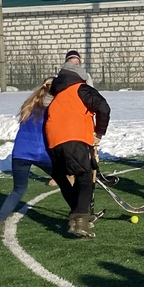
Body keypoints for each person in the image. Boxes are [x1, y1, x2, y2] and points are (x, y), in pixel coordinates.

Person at [45, 63, 111, 238]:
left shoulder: (58, 95)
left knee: (67, 179)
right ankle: (81, 221)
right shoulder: (80, 89)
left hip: (52, 143)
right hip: (73, 138)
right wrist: (99, 133)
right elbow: (103, 107)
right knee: (84, 177)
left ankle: (76, 217)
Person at [0, 77, 55, 237]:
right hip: (41, 154)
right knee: (69, 182)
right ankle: (80, 215)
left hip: (19, 153)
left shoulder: (29, 104)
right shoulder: (54, 107)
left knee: (18, 190)